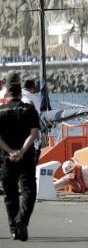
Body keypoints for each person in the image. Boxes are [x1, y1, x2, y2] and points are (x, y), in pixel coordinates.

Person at [0, 82, 40, 241]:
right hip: (26, 156)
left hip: (6, 158)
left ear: (6, 94)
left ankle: (14, 229)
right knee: (29, 189)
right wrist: (22, 151)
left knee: (10, 193)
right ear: (20, 94)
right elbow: (34, 133)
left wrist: (10, 151)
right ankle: (21, 220)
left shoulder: (1, 111)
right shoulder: (29, 110)